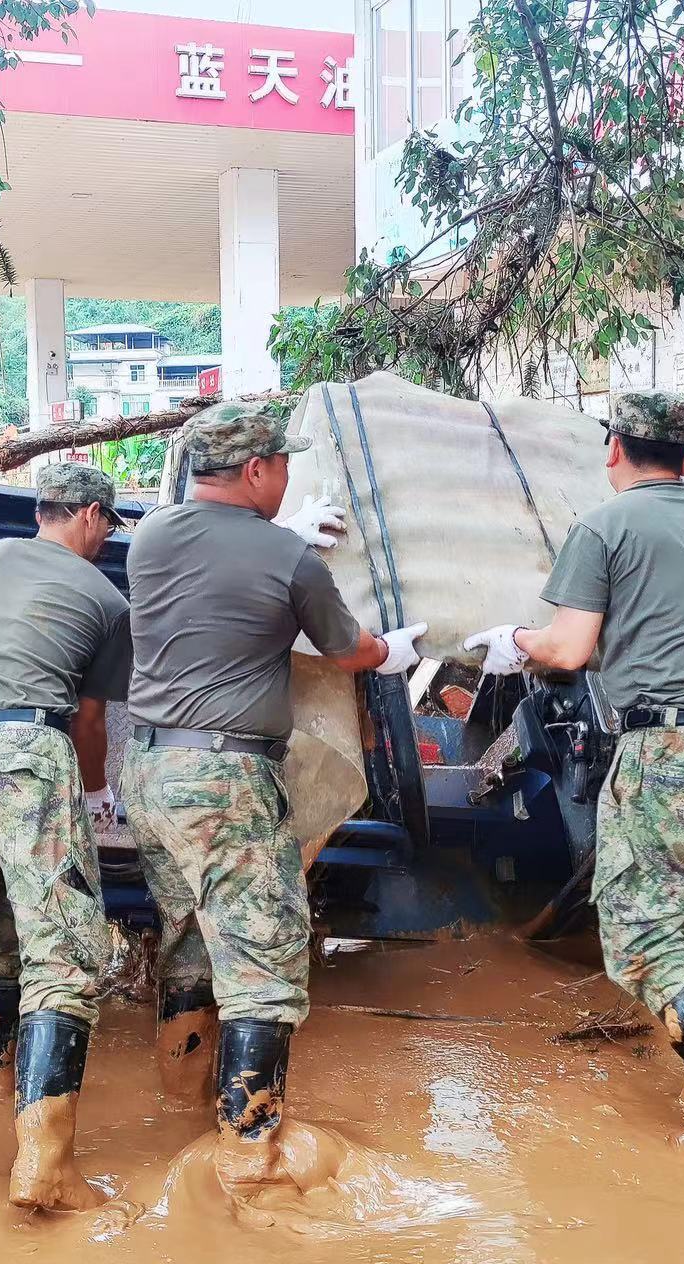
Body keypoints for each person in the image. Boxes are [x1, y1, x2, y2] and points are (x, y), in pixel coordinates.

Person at [463, 391, 684, 1170]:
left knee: (640, 933)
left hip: (671, 747)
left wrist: (514, 640)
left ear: (613, 449)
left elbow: (568, 649)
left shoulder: (604, 525)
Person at [120, 400, 425, 1192]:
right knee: (264, 960)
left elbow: (217, 568)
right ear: (257, 470)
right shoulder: (287, 562)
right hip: (224, 778)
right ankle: (248, 1155)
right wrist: (392, 649)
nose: (286, 476)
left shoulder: (150, 536)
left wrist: (283, 535)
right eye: (280, 465)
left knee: (187, 940)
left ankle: (179, 1103)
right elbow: (346, 649)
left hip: (149, 772)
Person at [0, 462, 130, 1214]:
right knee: (66, 954)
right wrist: (99, 795)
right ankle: (45, 1166)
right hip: (22, 759)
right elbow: (87, 721)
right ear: (85, 514)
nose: (107, 540)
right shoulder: (106, 598)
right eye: (107, 524)